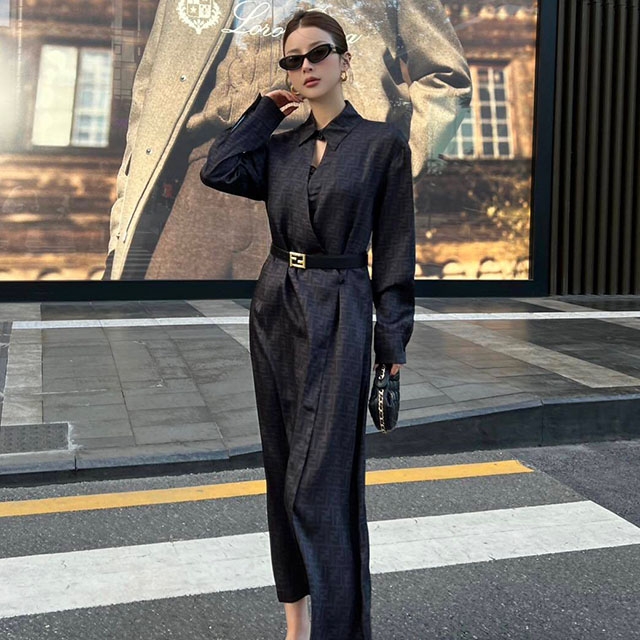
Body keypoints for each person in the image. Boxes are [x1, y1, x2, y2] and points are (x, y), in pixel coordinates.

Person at [200, 9, 415, 640]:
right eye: (292, 60)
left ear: (344, 61)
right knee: (281, 466)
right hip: (275, 303)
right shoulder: (279, 148)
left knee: (317, 482)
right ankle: (298, 625)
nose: (305, 67)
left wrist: (391, 340)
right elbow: (218, 168)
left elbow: (395, 249)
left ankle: (338, 630)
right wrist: (266, 110)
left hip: (341, 305)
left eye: (317, 54)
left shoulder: (381, 145)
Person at [103, 0, 471, 280]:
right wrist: (121, 233)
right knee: (165, 342)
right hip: (205, 177)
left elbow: (445, 76)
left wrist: (389, 169)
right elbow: (148, 105)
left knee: (304, 342)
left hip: (322, 169)